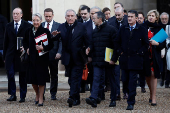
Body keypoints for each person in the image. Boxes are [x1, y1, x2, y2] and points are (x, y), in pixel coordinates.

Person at [52, 9, 90, 107]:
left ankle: (72, 97)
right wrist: (54, 36)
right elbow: (57, 39)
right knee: (71, 79)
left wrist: (88, 49)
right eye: (68, 16)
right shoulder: (61, 27)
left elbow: (87, 40)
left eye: (72, 15)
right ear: (65, 17)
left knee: (75, 78)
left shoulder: (81, 26)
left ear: (75, 17)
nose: (70, 18)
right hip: (67, 58)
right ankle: (76, 98)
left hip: (78, 57)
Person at [114, 10, 149, 110]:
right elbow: (117, 41)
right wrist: (120, 51)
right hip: (124, 59)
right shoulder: (123, 28)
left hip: (136, 60)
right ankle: (127, 93)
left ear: (136, 18)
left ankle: (131, 101)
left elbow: (146, 44)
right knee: (125, 80)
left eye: (132, 16)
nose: (129, 18)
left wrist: (139, 53)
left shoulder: (142, 29)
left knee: (132, 81)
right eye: (128, 16)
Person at [85, 11, 118, 108]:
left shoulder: (112, 30)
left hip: (109, 61)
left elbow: (116, 46)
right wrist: (89, 49)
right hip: (97, 60)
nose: (93, 20)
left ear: (100, 19)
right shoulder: (95, 31)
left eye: (94, 18)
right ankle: (93, 98)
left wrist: (114, 59)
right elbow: (93, 43)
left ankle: (113, 100)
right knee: (96, 79)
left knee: (111, 80)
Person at [23, 13, 53, 106]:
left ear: (40, 21)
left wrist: (43, 48)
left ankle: (40, 98)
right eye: (34, 20)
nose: (35, 22)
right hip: (31, 59)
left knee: (41, 79)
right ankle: (37, 94)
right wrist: (27, 48)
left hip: (42, 59)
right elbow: (24, 41)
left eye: (37, 20)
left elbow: (51, 45)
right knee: (32, 80)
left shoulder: (45, 31)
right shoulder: (28, 31)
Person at [3, 7, 31, 103]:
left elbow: (29, 40)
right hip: (10, 54)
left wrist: (26, 48)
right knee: (10, 74)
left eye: (17, 14)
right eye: (14, 13)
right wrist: (4, 57)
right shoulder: (8, 26)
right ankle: (12, 94)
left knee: (22, 76)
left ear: (21, 15)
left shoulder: (27, 25)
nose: (15, 15)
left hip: (21, 54)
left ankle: (22, 96)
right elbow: (5, 41)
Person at [145, 10, 166, 106]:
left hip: (155, 55)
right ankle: (150, 92)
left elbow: (163, 44)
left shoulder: (159, 28)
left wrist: (157, 44)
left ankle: (153, 97)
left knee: (153, 73)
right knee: (147, 75)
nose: (150, 17)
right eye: (149, 15)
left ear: (156, 18)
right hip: (144, 54)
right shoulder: (143, 27)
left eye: (152, 16)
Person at [41, 8, 61, 100]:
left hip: (54, 54)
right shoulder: (41, 25)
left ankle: (53, 94)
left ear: (53, 15)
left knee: (54, 74)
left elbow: (61, 41)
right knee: (43, 75)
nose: (48, 18)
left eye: (49, 16)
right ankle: (42, 94)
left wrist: (59, 52)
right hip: (42, 55)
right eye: (46, 16)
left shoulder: (58, 26)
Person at [109, 7, 128, 100]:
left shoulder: (128, 21)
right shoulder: (111, 22)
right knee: (116, 73)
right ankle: (117, 93)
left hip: (126, 51)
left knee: (125, 74)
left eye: (119, 15)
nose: (117, 17)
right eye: (116, 15)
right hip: (115, 51)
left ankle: (126, 91)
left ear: (123, 13)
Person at [80, 5, 91, 93]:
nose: (83, 15)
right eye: (82, 13)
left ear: (89, 13)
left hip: (89, 50)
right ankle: (82, 86)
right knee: (81, 69)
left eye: (85, 13)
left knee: (90, 69)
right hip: (80, 51)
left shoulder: (92, 23)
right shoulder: (78, 22)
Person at [137, 11, 147, 93]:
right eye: (138, 18)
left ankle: (142, 85)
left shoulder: (144, 27)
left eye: (141, 18)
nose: (139, 20)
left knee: (142, 70)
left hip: (142, 51)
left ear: (143, 18)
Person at [159, 12, 169, 87]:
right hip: (161, 47)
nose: (164, 20)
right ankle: (162, 79)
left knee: (168, 65)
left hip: (169, 47)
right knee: (162, 65)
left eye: (165, 19)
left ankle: (167, 81)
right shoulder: (159, 26)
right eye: (162, 19)